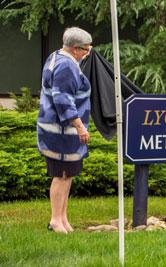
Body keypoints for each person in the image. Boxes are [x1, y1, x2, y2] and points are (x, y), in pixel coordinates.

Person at [37, 27, 92, 233]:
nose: (88, 52)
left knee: (67, 174)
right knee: (61, 176)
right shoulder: (66, 66)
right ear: (75, 49)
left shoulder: (56, 56)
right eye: (86, 49)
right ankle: (55, 221)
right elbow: (63, 100)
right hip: (60, 131)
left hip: (57, 130)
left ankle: (63, 218)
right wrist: (80, 127)